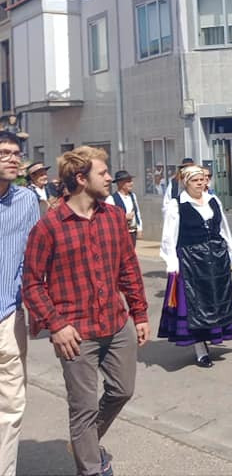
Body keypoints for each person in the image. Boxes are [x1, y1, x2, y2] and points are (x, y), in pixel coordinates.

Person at [22, 146, 149, 476]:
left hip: (116, 323)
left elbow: (128, 269)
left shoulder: (114, 217)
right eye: (103, 173)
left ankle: (85, 442)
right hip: (75, 333)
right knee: (83, 408)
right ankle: (92, 468)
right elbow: (32, 283)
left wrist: (140, 313)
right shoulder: (49, 227)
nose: (110, 177)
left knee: (123, 390)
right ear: (81, 179)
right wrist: (56, 325)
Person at [158, 165, 232, 368]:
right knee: (195, 306)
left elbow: (224, 230)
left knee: (214, 300)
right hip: (191, 260)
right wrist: (172, 264)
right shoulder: (176, 205)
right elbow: (169, 238)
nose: (201, 184)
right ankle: (200, 349)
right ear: (186, 182)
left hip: (216, 259)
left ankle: (212, 337)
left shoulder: (214, 201)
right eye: (196, 181)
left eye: (202, 180)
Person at [0, 134, 39, 476]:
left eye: (16, 154)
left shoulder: (27, 200)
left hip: (9, 317)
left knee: (11, 406)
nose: (13, 159)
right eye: (4, 153)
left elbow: (34, 259)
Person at [110, 170, 143, 246]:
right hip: (120, 233)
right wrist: (123, 217)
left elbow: (137, 212)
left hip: (132, 233)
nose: (131, 184)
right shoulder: (112, 199)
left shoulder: (132, 196)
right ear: (120, 183)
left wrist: (139, 228)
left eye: (131, 181)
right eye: (128, 181)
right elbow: (109, 218)